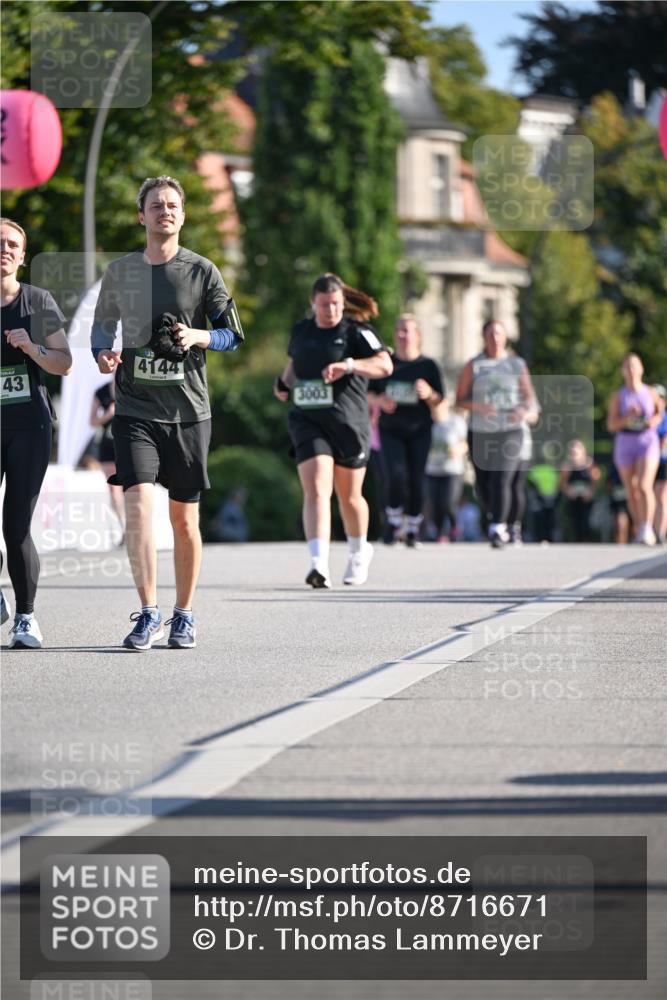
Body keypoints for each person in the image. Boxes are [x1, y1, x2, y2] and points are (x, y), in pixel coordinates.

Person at [91, 176, 243, 650]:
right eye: (156, 206)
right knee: (137, 509)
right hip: (135, 408)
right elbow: (102, 327)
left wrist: (199, 337)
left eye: (173, 205)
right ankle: (148, 611)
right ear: (142, 216)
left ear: (183, 214)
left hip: (189, 411)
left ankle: (184, 614)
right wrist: (103, 354)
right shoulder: (120, 272)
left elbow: (232, 334)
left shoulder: (203, 272)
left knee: (184, 520)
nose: (165, 212)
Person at [274, 273, 392, 588]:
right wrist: (284, 383)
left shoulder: (357, 332)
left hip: (349, 423)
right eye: (325, 305)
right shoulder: (301, 331)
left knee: (350, 496)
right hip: (308, 419)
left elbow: (385, 365)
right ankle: (318, 564)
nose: (332, 311)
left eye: (337, 304)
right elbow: (295, 364)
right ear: (313, 303)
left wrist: (349, 366)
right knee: (316, 488)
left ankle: (358, 551)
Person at [1, 218, 72, 648]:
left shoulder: (37, 301)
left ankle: (26, 618)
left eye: (13, 244)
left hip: (29, 426)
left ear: (23, 257)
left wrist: (32, 348)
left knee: (15, 526)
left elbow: (63, 362)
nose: (4, 249)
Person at [456, 319, 538, 548]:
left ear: (505, 337)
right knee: (484, 484)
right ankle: (497, 520)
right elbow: (459, 399)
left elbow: (530, 399)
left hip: (510, 430)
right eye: (490, 333)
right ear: (484, 337)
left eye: (498, 333)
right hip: (481, 431)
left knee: (503, 478)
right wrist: (478, 406)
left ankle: (499, 527)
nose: (494, 337)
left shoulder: (516, 365)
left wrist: (523, 410)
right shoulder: (474, 365)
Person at [370, 315, 443, 547]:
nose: (402, 335)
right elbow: (367, 392)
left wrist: (428, 393)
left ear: (417, 336)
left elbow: (440, 398)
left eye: (407, 331)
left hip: (420, 430)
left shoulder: (428, 365)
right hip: (390, 429)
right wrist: (379, 401)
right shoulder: (386, 363)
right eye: (399, 331)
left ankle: (412, 527)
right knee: (394, 476)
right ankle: (393, 521)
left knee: (416, 479)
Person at [607, 353, 663, 546]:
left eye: (634, 366)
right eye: (627, 367)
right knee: (631, 489)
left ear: (641, 369)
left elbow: (659, 413)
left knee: (644, 485)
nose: (631, 370)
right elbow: (612, 425)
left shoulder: (651, 392)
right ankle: (639, 526)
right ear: (622, 371)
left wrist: (652, 422)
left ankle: (648, 527)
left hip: (646, 441)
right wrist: (627, 417)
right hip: (625, 442)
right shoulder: (618, 396)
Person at [425, 398, 467, 543]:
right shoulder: (427, 422)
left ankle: (455, 527)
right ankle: (439, 532)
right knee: (435, 503)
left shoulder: (455, 422)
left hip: (452, 470)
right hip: (431, 470)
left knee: (448, 503)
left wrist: (458, 450)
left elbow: (465, 443)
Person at [89, 378, 125, 542]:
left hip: (128, 443)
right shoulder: (101, 391)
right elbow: (92, 421)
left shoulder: (132, 386)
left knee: (131, 488)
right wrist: (108, 415)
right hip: (108, 446)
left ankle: (134, 524)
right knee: (114, 489)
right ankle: (123, 526)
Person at [560, 439, 600, 542]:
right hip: (573, 498)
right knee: (575, 521)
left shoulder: (589, 464)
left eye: (577, 448)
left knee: (586, 520)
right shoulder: (567, 465)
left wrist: (590, 492)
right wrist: (568, 490)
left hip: (586, 498)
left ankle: (587, 540)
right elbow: (563, 482)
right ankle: (577, 541)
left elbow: (595, 480)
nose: (574, 451)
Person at [653, 385, 667, 546]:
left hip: (663, 461)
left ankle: (660, 532)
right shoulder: (646, 417)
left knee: (662, 497)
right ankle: (648, 529)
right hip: (648, 462)